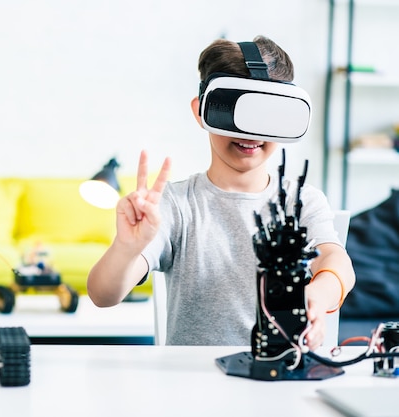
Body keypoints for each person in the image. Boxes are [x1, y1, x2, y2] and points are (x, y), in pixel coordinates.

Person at [87, 35, 355, 350]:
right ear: (202, 110)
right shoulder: (175, 205)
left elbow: (338, 262)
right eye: (236, 112)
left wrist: (318, 296)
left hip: (281, 380)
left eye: (266, 115)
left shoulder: (301, 202)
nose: (251, 133)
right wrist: (125, 248)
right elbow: (103, 295)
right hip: (197, 386)